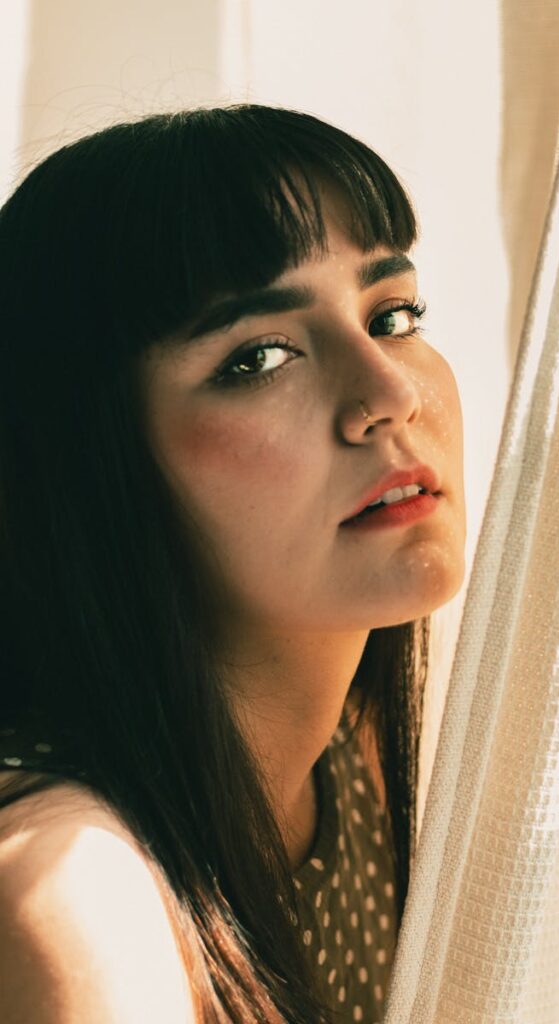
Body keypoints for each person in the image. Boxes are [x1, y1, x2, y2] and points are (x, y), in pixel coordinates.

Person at [0, 104, 466, 1023]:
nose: (389, 392)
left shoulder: (360, 762)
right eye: (258, 356)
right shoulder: (72, 886)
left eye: (394, 314)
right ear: (93, 464)